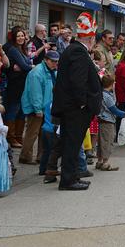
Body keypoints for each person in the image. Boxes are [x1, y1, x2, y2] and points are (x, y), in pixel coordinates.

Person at [51, 12, 102, 191]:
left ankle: (71, 176)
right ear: (91, 37)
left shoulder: (74, 50)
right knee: (72, 144)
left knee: (71, 143)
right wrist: (82, 103)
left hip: (72, 107)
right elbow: (78, 81)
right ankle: (68, 179)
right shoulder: (78, 52)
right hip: (75, 109)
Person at [19, 50, 59, 165]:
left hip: (46, 107)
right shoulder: (37, 72)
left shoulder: (51, 71)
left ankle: (41, 156)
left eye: (56, 61)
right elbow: (35, 93)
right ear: (46, 60)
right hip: (37, 108)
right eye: (53, 61)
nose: (55, 63)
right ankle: (25, 156)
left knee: (44, 133)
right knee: (32, 133)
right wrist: (37, 109)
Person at [3, 27, 33, 149]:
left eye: (22, 36)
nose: (21, 38)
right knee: (13, 110)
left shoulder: (22, 49)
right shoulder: (13, 50)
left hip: (23, 85)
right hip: (14, 85)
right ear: (14, 37)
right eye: (18, 36)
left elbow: (24, 66)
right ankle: (10, 138)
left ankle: (18, 137)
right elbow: (25, 66)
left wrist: (26, 66)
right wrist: (32, 65)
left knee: (21, 111)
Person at [96, 74, 125, 171]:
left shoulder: (101, 94)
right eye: (114, 82)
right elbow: (114, 110)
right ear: (111, 84)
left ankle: (99, 161)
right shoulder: (107, 97)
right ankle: (105, 163)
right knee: (108, 142)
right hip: (108, 121)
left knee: (101, 141)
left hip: (101, 120)